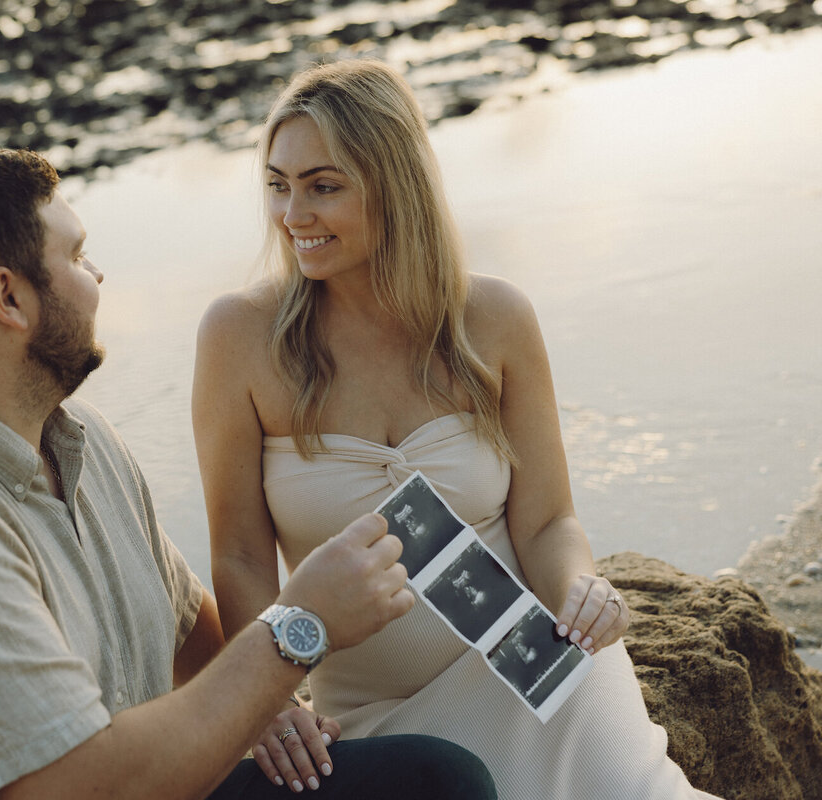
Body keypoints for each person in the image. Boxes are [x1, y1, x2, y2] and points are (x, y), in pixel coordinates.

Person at [0, 147, 498, 800]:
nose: (98, 275)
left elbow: (187, 630)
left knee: (436, 781)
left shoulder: (78, 438)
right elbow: (68, 787)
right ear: (10, 298)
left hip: (147, 782)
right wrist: (298, 629)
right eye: (78, 256)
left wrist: (269, 711)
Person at [192, 60, 723, 799]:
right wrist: (270, 700)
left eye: (324, 185)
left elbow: (547, 522)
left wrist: (579, 588)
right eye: (278, 185)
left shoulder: (496, 319)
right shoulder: (239, 337)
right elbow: (243, 558)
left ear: (395, 184)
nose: (292, 215)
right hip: (380, 718)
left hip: (539, 665)